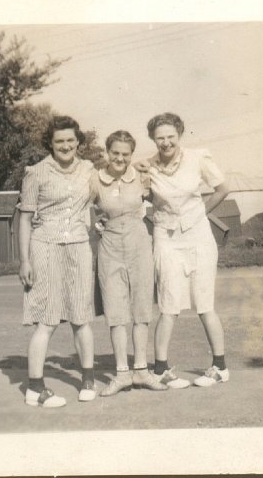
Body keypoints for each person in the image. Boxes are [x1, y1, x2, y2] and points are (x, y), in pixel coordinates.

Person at [141, 112, 230, 389]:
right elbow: (138, 196)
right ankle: (161, 369)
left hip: (199, 236)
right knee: (169, 305)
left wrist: (200, 213)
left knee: (205, 304)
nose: (166, 142)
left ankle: (220, 367)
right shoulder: (146, 167)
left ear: (179, 135)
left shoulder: (197, 158)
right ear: (153, 139)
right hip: (166, 238)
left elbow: (222, 189)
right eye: (160, 138)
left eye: (170, 136)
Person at [18, 115, 97, 407]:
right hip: (45, 247)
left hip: (78, 247)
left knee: (81, 316)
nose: (65, 145)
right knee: (47, 320)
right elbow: (25, 219)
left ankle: (87, 379)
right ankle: (35, 388)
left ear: (78, 142)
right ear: (50, 144)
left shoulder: (89, 169)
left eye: (70, 140)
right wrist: (24, 260)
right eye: (59, 141)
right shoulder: (35, 173)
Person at [91, 130, 168, 396]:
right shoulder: (95, 180)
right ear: (107, 153)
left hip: (139, 245)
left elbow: (165, 199)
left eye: (125, 154)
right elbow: (81, 207)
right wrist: (93, 222)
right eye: (115, 153)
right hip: (110, 247)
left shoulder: (142, 178)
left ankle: (141, 372)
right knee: (115, 313)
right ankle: (122, 373)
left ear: (131, 155)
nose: (120, 158)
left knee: (141, 309)